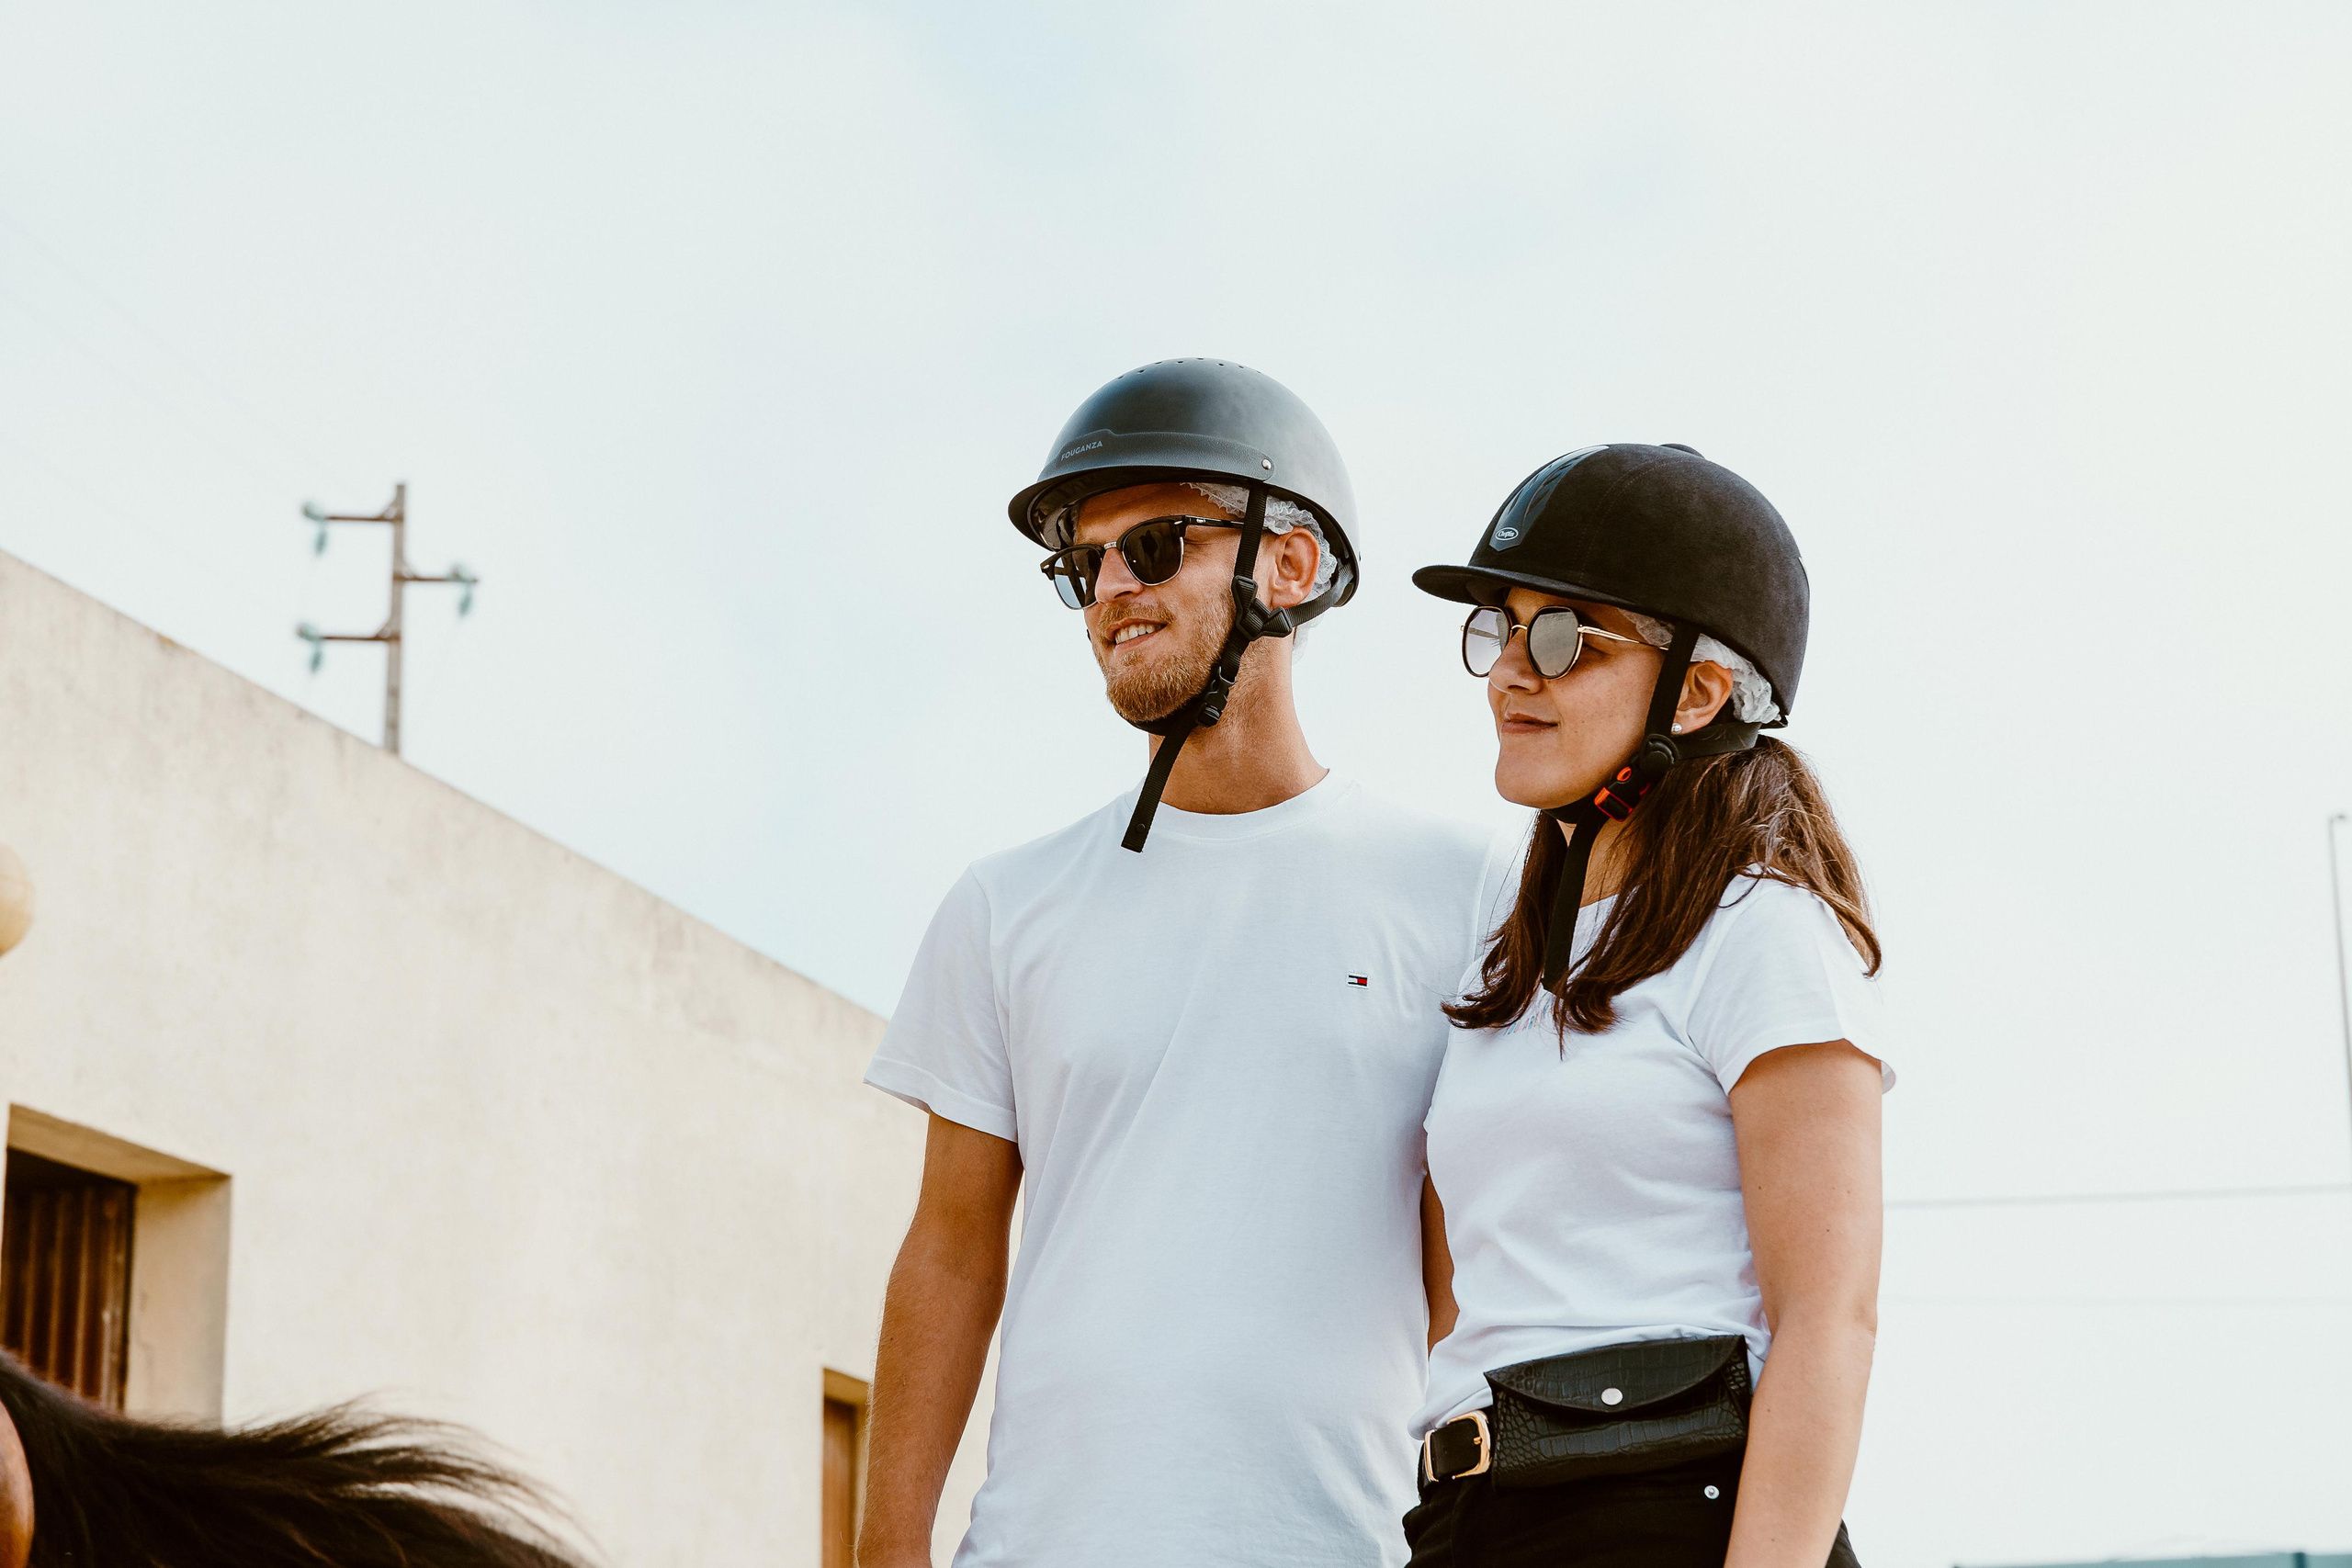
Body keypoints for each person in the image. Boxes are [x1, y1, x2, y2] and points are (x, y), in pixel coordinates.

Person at [854, 359, 1506, 1568]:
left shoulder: (1461, 893)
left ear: (1291, 566)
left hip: (1347, 1544)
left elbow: (1469, 1271)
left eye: (1153, 546)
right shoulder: (1005, 904)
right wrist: (885, 1554)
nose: (1109, 587)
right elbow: (948, 1252)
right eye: (1081, 564)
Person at [1404, 443, 1889, 1568]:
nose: (1508, 672)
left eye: (1563, 639)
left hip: (1671, 1511)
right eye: (1500, 630)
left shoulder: (1763, 932)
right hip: (1478, 1518)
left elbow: (1829, 1321)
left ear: (1702, 690)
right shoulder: (1503, 958)